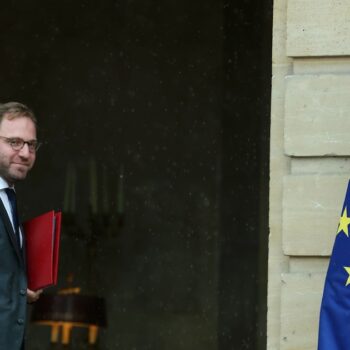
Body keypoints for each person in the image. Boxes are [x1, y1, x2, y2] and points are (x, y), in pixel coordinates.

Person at [0, 102, 43, 349]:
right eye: (14, 142)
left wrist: (18, 289)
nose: (25, 153)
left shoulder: (9, 198)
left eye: (31, 144)